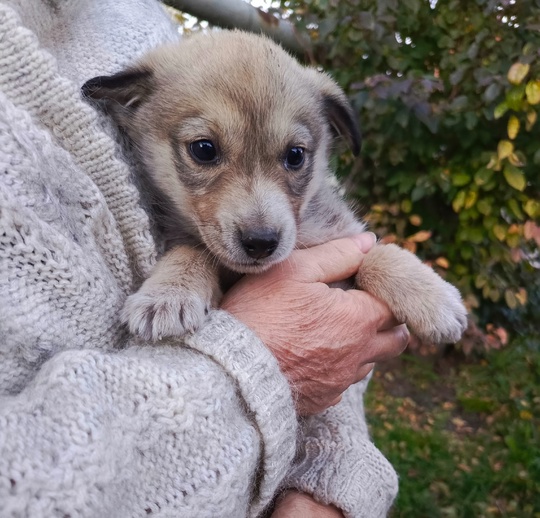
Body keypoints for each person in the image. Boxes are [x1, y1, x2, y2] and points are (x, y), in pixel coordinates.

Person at [0, 0, 408, 516]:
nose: (260, 220)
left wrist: (329, 470)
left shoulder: (139, 16)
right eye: (206, 151)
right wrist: (247, 372)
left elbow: (323, 328)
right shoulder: (146, 84)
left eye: (293, 157)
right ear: (129, 107)